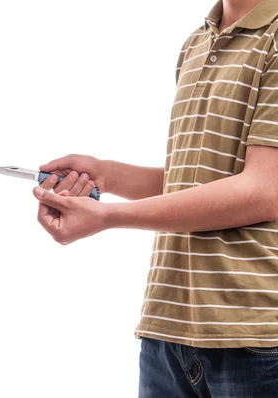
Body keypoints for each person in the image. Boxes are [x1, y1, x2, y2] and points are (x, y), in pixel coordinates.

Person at [34, 0, 278, 396]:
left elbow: (261, 191)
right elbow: (197, 183)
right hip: (167, 329)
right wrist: (105, 174)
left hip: (254, 335)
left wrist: (109, 216)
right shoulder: (195, 43)